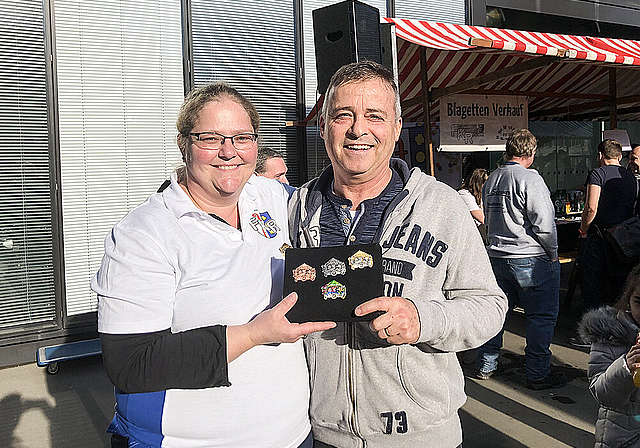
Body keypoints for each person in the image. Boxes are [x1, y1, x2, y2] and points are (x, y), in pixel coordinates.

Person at [90, 82, 335, 448]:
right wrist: (254, 333)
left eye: (241, 137)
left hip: (294, 436)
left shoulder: (269, 195)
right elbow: (131, 364)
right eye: (210, 138)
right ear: (183, 143)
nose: (228, 152)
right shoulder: (144, 233)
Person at [288, 61, 508, 448]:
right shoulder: (298, 207)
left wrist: (424, 319)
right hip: (322, 433)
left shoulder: (442, 206)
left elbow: (490, 306)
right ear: (323, 128)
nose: (359, 130)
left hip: (420, 435)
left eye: (375, 116)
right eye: (343, 116)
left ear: (395, 128)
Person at [475, 129, 566, 390]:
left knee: (499, 313)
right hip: (530, 257)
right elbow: (544, 223)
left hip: (498, 256)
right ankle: (537, 372)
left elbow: (488, 219)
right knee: (541, 316)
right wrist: (553, 253)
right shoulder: (530, 179)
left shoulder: (492, 179)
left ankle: (486, 363)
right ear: (531, 153)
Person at [577, 263, 640, 448]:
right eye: (639, 302)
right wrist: (625, 368)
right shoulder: (610, 335)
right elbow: (602, 394)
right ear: (628, 299)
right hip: (621, 438)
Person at [577, 139, 637, 314]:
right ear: (619, 156)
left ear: (601, 156)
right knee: (619, 283)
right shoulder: (630, 177)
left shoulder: (597, 174)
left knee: (591, 282)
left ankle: (593, 328)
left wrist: (583, 230)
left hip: (599, 235)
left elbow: (591, 207)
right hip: (623, 238)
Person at [458, 168, 489, 242]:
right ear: (478, 183)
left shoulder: (483, 195)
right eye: (485, 183)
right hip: (468, 235)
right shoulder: (464, 194)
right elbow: (480, 217)